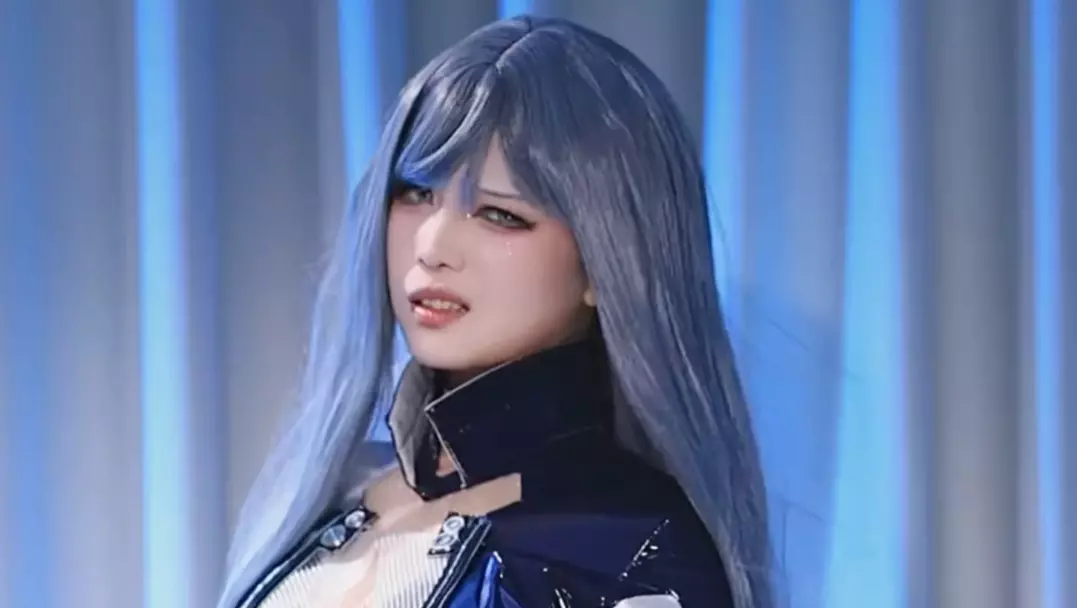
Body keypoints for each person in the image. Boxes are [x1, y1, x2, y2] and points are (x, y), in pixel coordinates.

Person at [218, 14, 774, 608]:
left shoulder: (632, 557)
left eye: (500, 215)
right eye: (416, 193)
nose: (432, 246)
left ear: (608, 261)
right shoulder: (331, 493)